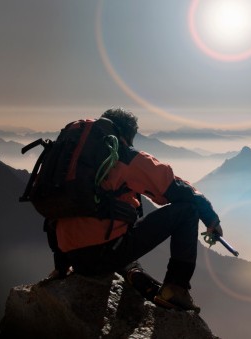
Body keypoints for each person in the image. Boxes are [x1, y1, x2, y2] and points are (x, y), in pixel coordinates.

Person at [48, 107, 222, 313]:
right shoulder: (122, 155)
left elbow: (54, 203)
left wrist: (62, 265)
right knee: (188, 211)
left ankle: (129, 271)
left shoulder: (72, 157)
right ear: (126, 134)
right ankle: (176, 288)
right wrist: (210, 218)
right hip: (101, 254)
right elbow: (174, 189)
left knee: (113, 230)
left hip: (69, 256)